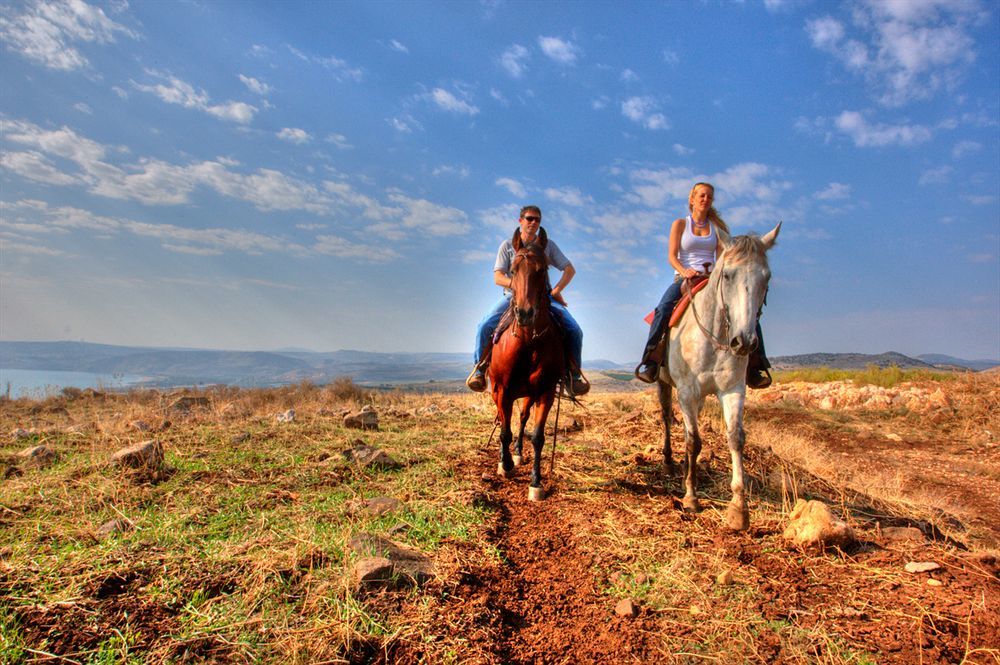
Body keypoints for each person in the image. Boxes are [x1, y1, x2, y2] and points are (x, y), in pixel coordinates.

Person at [635, 182, 772, 388]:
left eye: (709, 196)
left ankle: (755, 365)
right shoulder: (680, 224)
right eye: (701, 195)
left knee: (746, 309)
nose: (705, 199)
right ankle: (651, 360)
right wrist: (685, 271)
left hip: (711, 279)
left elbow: (720, 259)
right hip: (683, 278)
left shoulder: (717, 230)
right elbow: (672, 256)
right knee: (663, 309)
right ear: (692, 199)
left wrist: (715, 275)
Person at [466, 205, 590, 396]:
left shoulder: (549, 246)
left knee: (575, 330)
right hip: (512, 297)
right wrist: (520, 287)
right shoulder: (507, 246)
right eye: (530, 218)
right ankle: (480, 370)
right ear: (520, 220)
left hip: (544, 297)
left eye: (537, 220)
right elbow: (498, 277)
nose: (534, 222)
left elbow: (569, 270)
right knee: (485, 324)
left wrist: (556, 290)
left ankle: (572, 376)